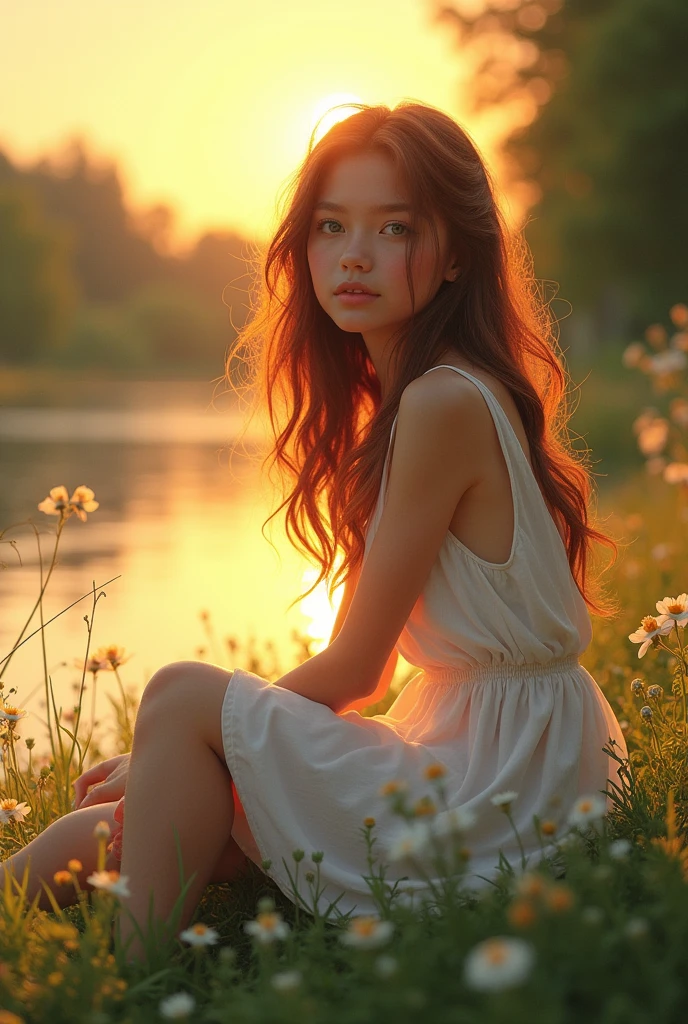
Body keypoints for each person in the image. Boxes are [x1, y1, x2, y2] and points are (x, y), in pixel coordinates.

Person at [1, 101, 628, 961]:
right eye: (331, 227)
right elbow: (355, 676)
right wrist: (179, 768)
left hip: (509, 775)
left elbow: (357, 669)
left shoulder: (444, 401)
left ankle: (135, 979)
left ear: (455, 256)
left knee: (180, 695)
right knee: (148, 819)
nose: (354, 256)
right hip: (502, 751)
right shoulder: (415, 402)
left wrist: (184, 740)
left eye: (394, 228)